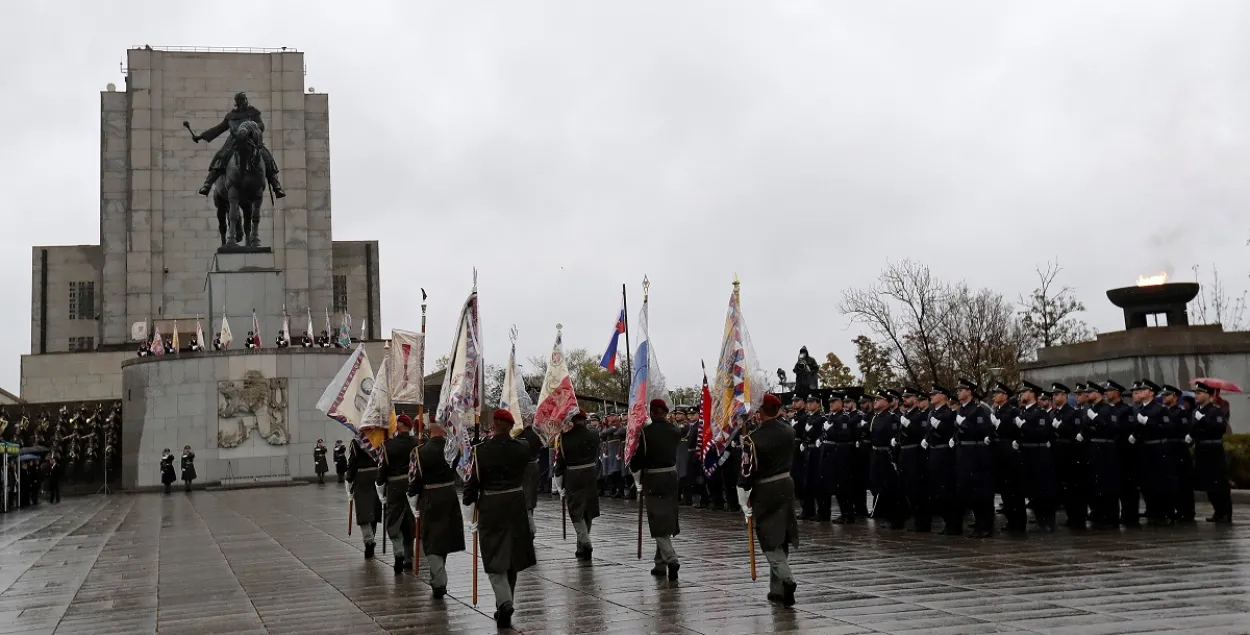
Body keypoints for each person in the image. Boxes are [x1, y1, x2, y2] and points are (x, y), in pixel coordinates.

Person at [463, 409, 537, 630]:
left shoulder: (479, 452)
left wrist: (470, 511)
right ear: (510, 425)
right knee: (512, 556)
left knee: (494, 556)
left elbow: (471, 485)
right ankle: (505, 602)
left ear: (494, 425)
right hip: (515, 504)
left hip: (491, 507)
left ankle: (504, 602)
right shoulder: (522, 448)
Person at [739, 393, 800, 606]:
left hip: (765, 489)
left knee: (768, 537)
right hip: (786, 483)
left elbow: (747, 472)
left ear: (762, 411)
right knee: (781, 534)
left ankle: (787, 579)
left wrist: (743, 493)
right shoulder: (789, 431)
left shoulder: (753, 439)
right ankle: (777, 590)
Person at [407, 417, 465, 598]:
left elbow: (414, 480)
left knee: (431, 539)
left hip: (429, 497)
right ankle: (436, 575)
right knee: (444, 537)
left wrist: (413, 498)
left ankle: (439, 581)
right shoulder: (453, 449)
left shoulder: (419, 452)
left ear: (429, 430)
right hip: (449, 494)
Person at [192, 91, 285, 197]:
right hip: (234, 141)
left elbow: (261, 125)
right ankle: (207, 184)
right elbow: (219, 129)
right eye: (242, 101)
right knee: (220, 156)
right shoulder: (231, 116)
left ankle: (276, 186)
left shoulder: (253, 112)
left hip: (251, 141)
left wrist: (252, 128)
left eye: (245, 100)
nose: (244, 103)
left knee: (266, 156)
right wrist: (202, 136)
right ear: (238, 103)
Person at [628, 399, 682, 581]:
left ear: (652, 413)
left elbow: (639, 458)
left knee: (657, 521)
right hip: (671, 477)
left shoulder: (646, 433)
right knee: (665, 518)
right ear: (665, 413)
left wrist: (634, 466)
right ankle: (660, 564)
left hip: (654, 478)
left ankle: (671, 558)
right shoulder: (675, 430)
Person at [555, 410, 601, 560]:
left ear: (573, 420)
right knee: (587, 510)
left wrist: (559, 484)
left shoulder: (565, 438)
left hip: (573, 476)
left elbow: (560, 463)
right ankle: (581, 547)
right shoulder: (594, 434)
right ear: (585, 419)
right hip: (590, 473)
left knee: (576, 511)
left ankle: (585, 542)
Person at [376, 415, 418, 574]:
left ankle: (399, 552)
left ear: (399, 426)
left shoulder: (388, 446)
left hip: (394, 486)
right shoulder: (417, 443)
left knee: (394, 521)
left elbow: (382, 469)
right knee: (410, 521)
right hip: (412, 484)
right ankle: (408, 557)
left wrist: (380, 486)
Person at [1132, 379, 1178, 527]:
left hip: (1158, 449)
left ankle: (1166, 514)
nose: (1141, 391)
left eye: (1144, 389)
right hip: (1144, 449)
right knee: (1147, 483)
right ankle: (1153, 512)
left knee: (1162, 483)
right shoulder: (1141, 409)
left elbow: (1168, 428)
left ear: (1151, 392)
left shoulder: (1160, 409)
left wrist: (1147, 422)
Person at [954, 379, 994, 538]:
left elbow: (982, 430)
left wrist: (964, 424)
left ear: (969, 391)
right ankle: (979, 523)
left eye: (961, 389)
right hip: (963, 453)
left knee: (981, 492)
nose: (958, 392)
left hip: (976, 454)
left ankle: (985, 526)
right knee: (969, 491)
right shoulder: (961, 410)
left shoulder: (978, 410)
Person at [1016, 381, 1058, 532]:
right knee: (1032, 489)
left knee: (1043, 489)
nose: (1021, 394)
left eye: (1024, 391)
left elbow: (1040, 433)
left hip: (1039, 455)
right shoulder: (1023, 412)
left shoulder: (1040, 413)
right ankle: (1040, 519)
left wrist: (1023, 426)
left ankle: (1048, 521)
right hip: (1026, 454)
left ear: (1032, 393)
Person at [1191, 382, 1233, 523]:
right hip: (1201, 449)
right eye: (1195, 393)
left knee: (1219, 483)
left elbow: (1219, 428)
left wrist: (1203, 420)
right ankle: (1218, 511)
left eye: (1200, 393)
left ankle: (1225, 513)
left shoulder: (1215, 411)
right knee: (1207, 483)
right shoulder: (1197, 410)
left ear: (1208, 395)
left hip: (1213, 450)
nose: (1196, 395)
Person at [1102, 380, 1140, 527]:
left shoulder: (1126, 410)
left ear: (1117, 392)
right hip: (1110, 454)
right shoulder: (1106, 409)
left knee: (1128, 488)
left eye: (1110, 390)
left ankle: (1130, 517)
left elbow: (1125, 430)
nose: (1106, 393)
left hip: (1124, 453)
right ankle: (1114, 516)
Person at [1050, 383, 1088, 528]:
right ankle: (1071, 517)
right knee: (1064, 489)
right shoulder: (1054, 413)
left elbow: (1076, 433)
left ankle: (1078, 517)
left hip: (1071, 455)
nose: (1054, 397)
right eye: (1053, 395)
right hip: (1058, 454)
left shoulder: (1073, 413)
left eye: (1056, 394)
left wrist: (1060, 426)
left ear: (1064, 396)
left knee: (1075, 488)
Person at [989, 382, 1024, 532]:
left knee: (1014, 490)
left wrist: (997, 424)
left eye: (997, 393)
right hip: (999, 454)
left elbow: (1011, 430)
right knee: (1004, 490)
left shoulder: (1012, 411)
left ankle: (1019, 522)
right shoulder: (997, 411)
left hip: (1010, 454)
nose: (994, 396)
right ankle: (1011, 520)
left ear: (1005, 395)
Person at [867, 392, 905, 529]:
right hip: (876, 453)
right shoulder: (875, 417)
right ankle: (887, 515)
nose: (875, 401)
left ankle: (896, 518)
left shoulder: (892, 418)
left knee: (890, 487)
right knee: (877, 485)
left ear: (887, 402)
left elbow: (894, 438)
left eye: (879, 399)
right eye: (875, 399)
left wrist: (894, 458)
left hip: (886, 454)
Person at [894, 387, 929, 532]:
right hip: (904, 453)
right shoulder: (907, 415)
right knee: (906, 488)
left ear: (915, 399)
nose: (905, 399)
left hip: (915, 454)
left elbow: (920, 432)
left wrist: (909, 424)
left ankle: (922, 522)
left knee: (917, 490)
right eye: (904, 397)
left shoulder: (919, 415)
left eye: (908, 397)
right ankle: (914, 519)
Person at [1161, 384, 1196, 522]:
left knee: (1183, 482)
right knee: (1171, 482)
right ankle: (1176, 509)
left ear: (1175, 397)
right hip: (1167, 449)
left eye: (1167, 395)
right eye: (1163, 395)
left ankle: (1186, 511)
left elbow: (1181, 429)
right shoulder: (1163, 412)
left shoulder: (1182, 413)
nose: (1164, 398)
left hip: (1179, 450)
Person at [345, 436, 382, 558]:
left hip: (361, 477)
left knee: (364, 512)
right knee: (374, 511)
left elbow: (352, 462)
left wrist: (349, 479)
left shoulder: (356, 441)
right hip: (377, 475)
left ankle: (369, 541)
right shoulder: (379, 438)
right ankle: (371, 537)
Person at [512, 412, 544, 536]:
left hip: (524, 467)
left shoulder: (520, 434)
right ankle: (527, 524)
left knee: (525, 498)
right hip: (534, 465)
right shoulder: (536, 433)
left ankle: (530, 528)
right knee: (530, 497)